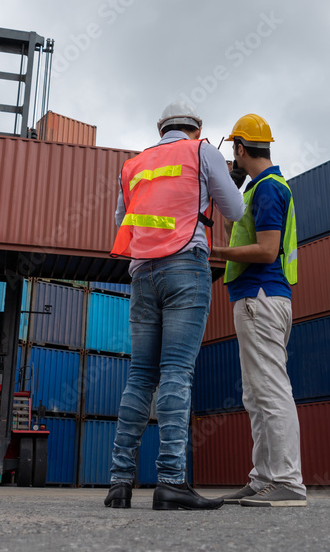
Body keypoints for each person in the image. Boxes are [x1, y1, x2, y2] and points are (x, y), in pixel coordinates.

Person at [105, 100, 246, 510]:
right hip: (186, 266)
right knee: (176, 373)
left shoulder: (133, 166)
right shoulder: (202, 151)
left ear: (160, 127)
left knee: (140, 377)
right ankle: (170, 481)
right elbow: (234, 210)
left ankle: (119, 483)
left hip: (143, 273)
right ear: (196, 126)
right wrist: (228, 178)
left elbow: (122, 222)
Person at [210, 114, 306, 507]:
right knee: (257, 393)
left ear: (239, 148)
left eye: (233, 151)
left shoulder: (267, 188)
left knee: (271, 390)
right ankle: (264, 478)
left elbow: (267, 250)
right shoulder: (263, 187)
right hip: (264, 299)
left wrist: (214, 251)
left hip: (260, 298)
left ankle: (286, 480)